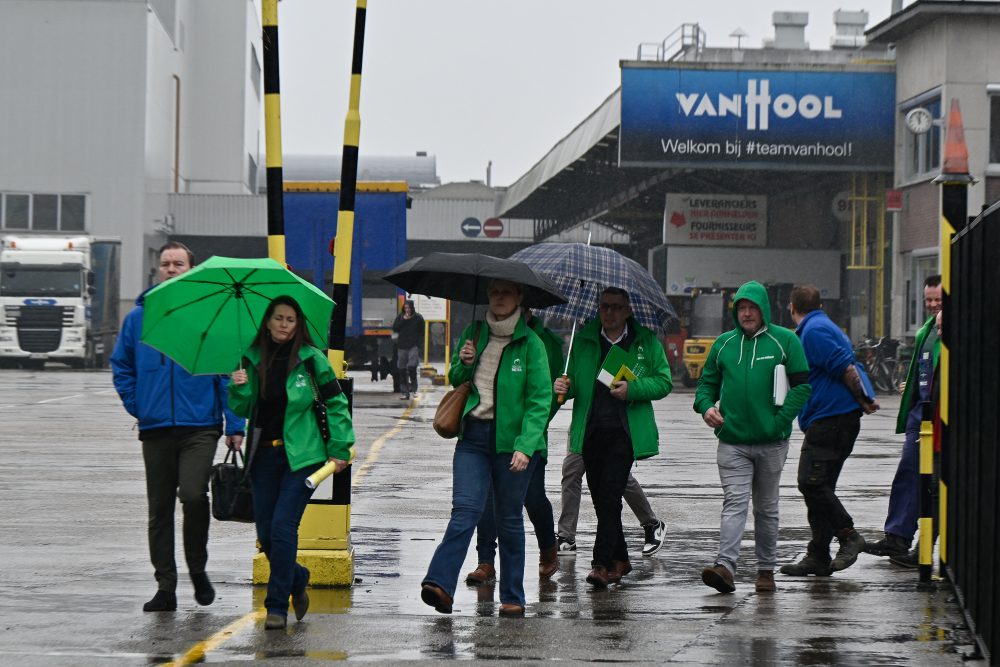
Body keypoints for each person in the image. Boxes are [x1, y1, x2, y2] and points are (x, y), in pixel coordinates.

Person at [111, 242, 245, 613]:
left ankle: (197, 569)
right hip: (154, 428)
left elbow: (227, 373)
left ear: (191, 268)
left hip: (199, 426)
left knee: (192, 495)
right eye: (166, 264)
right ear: (158, 269)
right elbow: (122, 366)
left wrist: (234, 422)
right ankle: (166, 586)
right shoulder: (139, 318)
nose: (171, 269)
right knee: (159, 510)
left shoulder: (208, 315)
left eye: (178, 263)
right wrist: (138, 404)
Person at [420, 279, 552, 617]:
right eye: (494, 292)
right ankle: (439, 584)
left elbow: (539, 400)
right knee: (465, 510)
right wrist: (464, 361)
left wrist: (526, 445)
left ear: (520, 297)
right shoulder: (475, 332)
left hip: (513, 444)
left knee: (508, 518)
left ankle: (512, 597)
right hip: (473, 439)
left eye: (507, 292)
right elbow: (455, 378)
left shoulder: (531, 343)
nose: (500, 297)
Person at [228, 295, 354, 629]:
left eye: (290, 319)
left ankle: (276, 607)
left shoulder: (312, 360)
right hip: (263, 457)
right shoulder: (251, 359)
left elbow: (336, 402)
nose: (284, 325)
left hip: (302, 457)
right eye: (278, 318)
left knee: (284, 527)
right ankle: (297, 578)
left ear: (298, 325)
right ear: (267, 322)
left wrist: (341, 446)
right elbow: (244, 409)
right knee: (267, 535)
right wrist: (238, 388)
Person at [694, 280, 811, 594]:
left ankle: (765, 571)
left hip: (772, 442)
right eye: (741, 308)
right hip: (732, 442)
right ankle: (725, 567)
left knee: (766, 508)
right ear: (735, 311)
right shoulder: (723, 345)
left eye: (752, 307)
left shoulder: (785, 341)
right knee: (734, 503)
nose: (746, 313)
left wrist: (779, 421)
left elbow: (802, 386)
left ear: (764, 310)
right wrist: (706, 408)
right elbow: (705, 387)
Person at [552, 287, 673, 588]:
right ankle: (621, 559)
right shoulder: (584, 340)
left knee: (609, 498)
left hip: (625, 433)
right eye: (605, 306)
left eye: (617, 307)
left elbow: (663, 381)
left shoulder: (644, 342)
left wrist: (632, 390)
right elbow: (577, 386)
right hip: (591, 431)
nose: (610, 313)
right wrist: (563, 387)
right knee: (604, 500)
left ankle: (601, 564)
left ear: (628, 310)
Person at [780, 285, 879, 578]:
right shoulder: (822, 326)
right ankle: (818, 556)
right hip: (832, 419)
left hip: (831, 420)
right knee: (821, 488)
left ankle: (848, 535)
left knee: (810, 482)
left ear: (791, 307)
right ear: (820, 304)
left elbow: (844, 367)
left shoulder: (814, 331)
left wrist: (864, 400)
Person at [466, 307, 563, 585]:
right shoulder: (487, 336)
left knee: (532, 498)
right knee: (488, 499)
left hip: (530, 438)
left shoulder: (544, 343)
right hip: (493, 436)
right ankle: (485, 561)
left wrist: (561, 393)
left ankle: (548, 549)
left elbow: (545, 398)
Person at [865, 275, 942, 562]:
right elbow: (924, 368)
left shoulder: (949, 330)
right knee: (909, 475)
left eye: (938, 300)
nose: (933, 305)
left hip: (936, 418)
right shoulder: (926, 330)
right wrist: (910, 386)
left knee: (934, 483)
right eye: (929, 300)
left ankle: (921, 549)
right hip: (918, 415)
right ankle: (897, 538)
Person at [557, 454, 667, 558]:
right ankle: (567, 537)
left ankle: (651, 523)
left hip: (609, 435)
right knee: (571, 470)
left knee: (619, 474)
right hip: (580, 435)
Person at [392, 299, 425, 400]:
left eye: (409, 308)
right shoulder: (400, 317)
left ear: (412, 308)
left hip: (413, 346)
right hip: (402, 346)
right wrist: (403, 320)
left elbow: (422, 332)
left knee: (411, 367)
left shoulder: (418, 318)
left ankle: (414, 389)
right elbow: (395, 328)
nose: (407, 310)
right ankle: (404, 392)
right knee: (402, 370)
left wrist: (419, 344)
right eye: (405, 308)